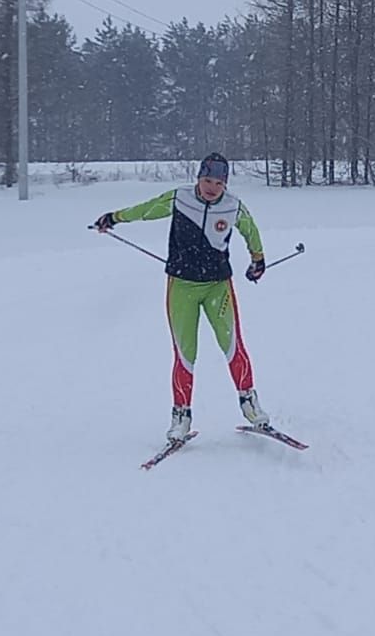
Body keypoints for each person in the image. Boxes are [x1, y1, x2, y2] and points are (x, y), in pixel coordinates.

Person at [94, 153, 271, 442]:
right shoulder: (180, 198)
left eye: (218, 182)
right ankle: (181, 416)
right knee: (185, 354)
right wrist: (114, 218)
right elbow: (146, 209)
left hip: (218, 287)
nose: (212, 187)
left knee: (233, 347)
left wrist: (258, 260)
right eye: (207, 180)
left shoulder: (232, 206)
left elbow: (250, 230)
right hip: (182, 288)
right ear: (198, 178)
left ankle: (250, 404)